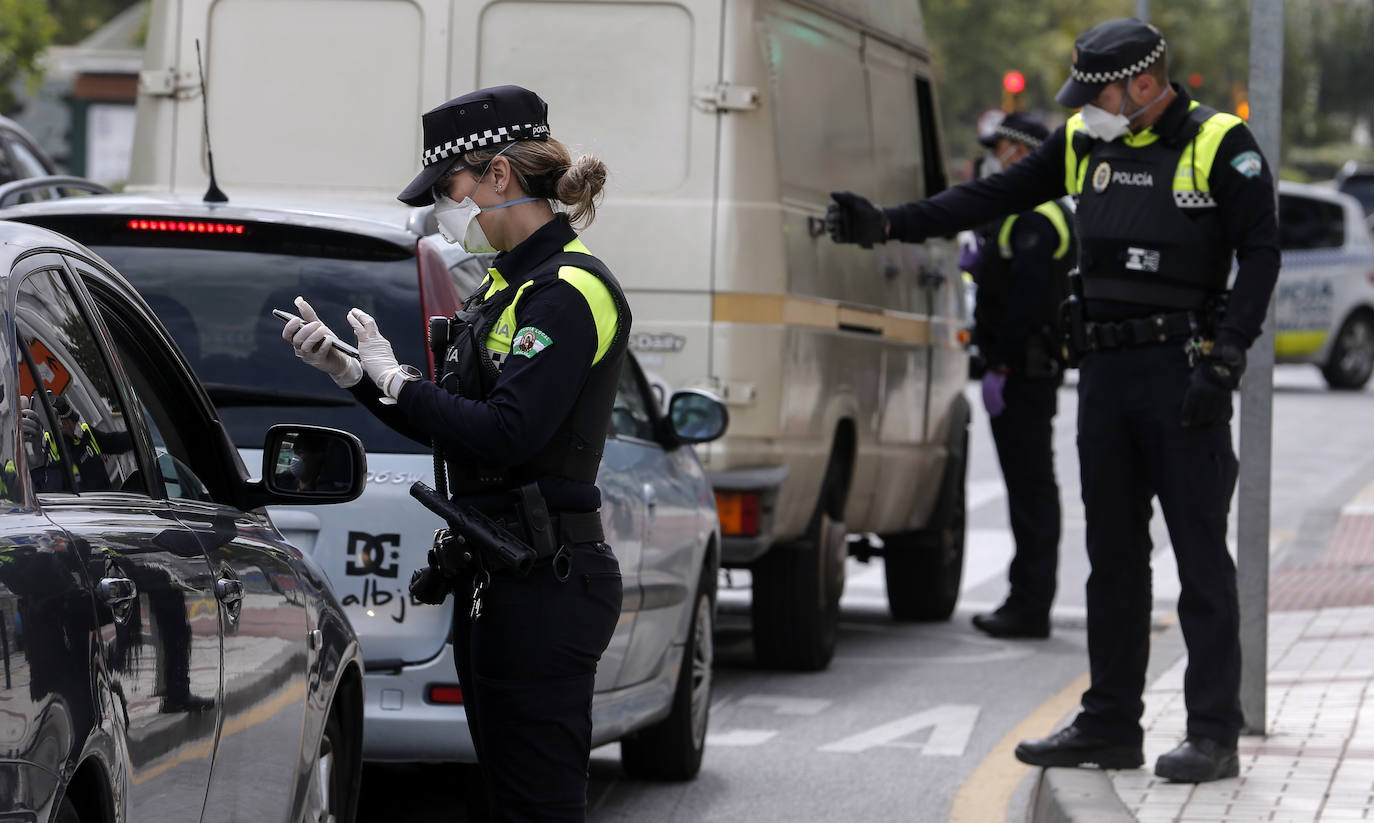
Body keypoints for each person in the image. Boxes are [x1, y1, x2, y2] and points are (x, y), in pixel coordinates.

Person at [827, 18, 1279, 783]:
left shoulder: (1219, 143)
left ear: (1142, 83)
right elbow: (988, 195)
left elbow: (1261, 252)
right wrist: (890, 224)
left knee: (1200, 556)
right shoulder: (1082, 141)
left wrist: (1228, 357)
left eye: (1097, 92)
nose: (1085, 107)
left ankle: (1212, 731)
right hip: (1104, 376)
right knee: (1112, 557)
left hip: (1184, 375)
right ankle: (1110, 723)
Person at [282, 84, 630, 821]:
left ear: (498, 175)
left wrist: (401, 382)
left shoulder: (567, 290)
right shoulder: (503, 287)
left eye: (450, 187)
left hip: (547, 578)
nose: (445, 206)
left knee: (539, 804)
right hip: (500, 571)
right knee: (506, 797)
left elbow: (511, 431)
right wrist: (352, 374)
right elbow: (460, 428)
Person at [962, 112, 1077, 640]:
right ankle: (1026, 597)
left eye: (1002, 147)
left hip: (1024, 372)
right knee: (1030, 489)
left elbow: (1026, 305)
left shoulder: (1035, 216)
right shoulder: (1026, 213)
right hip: (1023, 370)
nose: (995, 157)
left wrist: (1001, 364)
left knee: (1031, 492)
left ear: (1022, 151)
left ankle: (1030, 604)